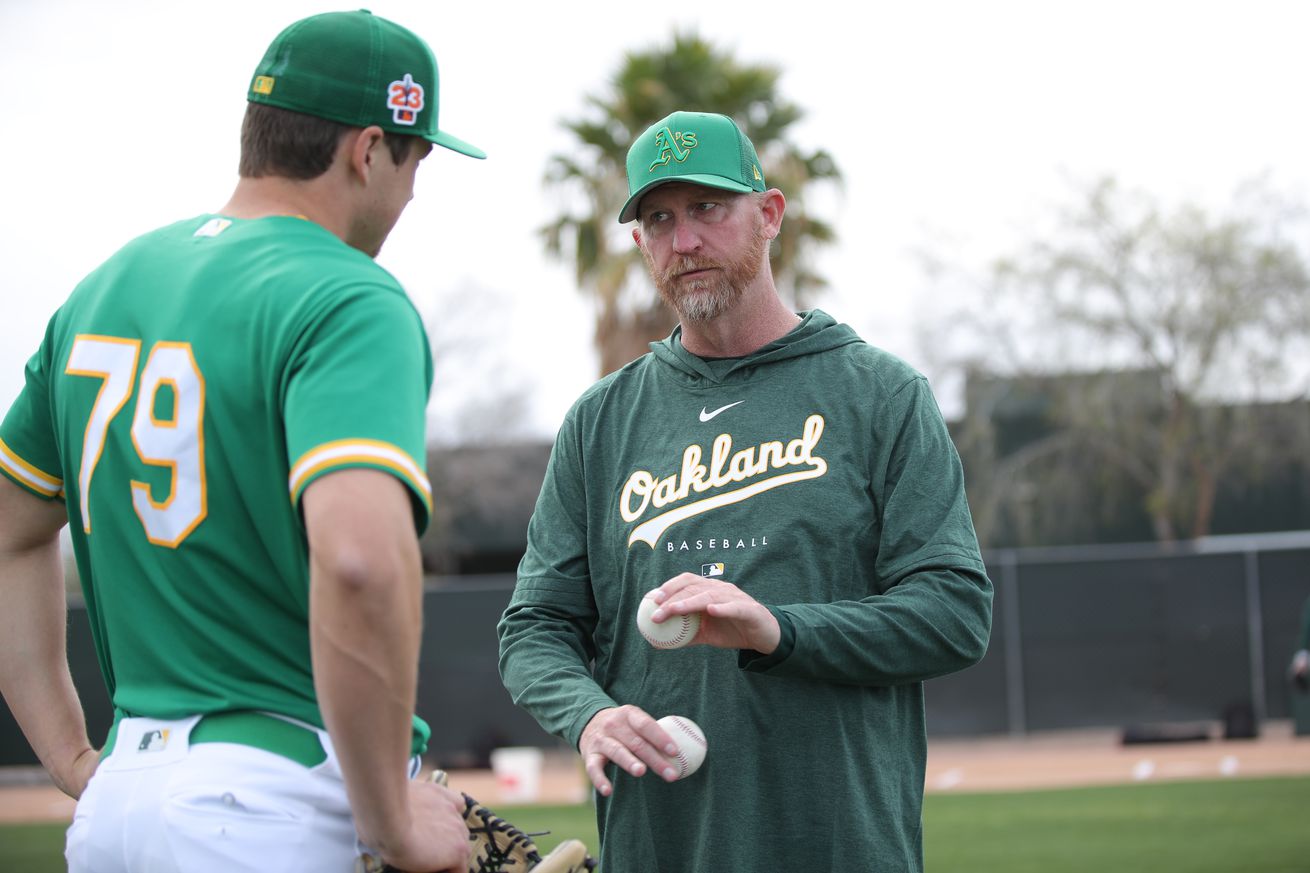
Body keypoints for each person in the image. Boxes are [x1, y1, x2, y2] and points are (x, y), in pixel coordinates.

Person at [0, 11, 483, 872]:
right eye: (417, 161)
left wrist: (72, 755)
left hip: (115, 809)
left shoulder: (102, 287)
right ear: (369, 151)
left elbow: (6, 533)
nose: (412, 192)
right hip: (269, 805)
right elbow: (361, 562)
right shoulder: (348, 296)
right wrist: (392, 824)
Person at [498, 110, 994, 872]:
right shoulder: (600, 423)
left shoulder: (879, 395)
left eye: (707, 209)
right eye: (659, 219)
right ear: (639, 243)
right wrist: (589, 714)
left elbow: (956, 614)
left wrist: (781, 631)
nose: (684, 240)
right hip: (660, 846)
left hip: (840, 845)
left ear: (769, 215)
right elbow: (533, 627)